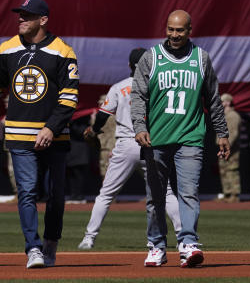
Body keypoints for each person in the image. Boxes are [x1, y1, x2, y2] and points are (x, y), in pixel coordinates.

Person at [0, 0, 78, 269]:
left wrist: (50, 127)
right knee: (26, 192)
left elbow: (69, 99)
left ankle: (50, 244)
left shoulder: (63, 52)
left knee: (56, 196)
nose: (21, 19)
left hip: (54, 138)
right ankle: (33, 249)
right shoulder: (7, 49)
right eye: (20, 15)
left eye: (27, 16)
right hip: (19, 136)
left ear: (43, 20)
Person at [131, 10, 230, 268]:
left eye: (180, 30)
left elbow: (213, 99)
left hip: (191, 137)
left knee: (188, 193)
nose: (175, 35)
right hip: (156, 140)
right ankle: (156, 245)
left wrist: (221, 132)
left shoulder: (201, 58)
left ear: (189, 30)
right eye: (171, 29)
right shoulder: (151, 58)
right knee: (155, 197)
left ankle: (188, 243)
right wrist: (140, 126)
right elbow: (139, 96)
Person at [78, 48, 182, 251]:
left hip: (126, 143)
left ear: (129, 66)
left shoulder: (119, 87)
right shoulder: (159, 86)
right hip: (152, 144)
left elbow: (102, 115)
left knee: (106, 195)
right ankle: (182, 236)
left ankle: (89, 239)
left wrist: (94, 130)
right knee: (167, 194)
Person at [219, 94, 241, 202]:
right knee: (224, 170)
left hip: (231, 148)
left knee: (232, 170)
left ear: (227, 102)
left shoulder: (233, 115)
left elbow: (234, 133)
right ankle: (227, 193)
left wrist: (227, 145)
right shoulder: (224, 115)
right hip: (223, 147)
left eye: (222, 101)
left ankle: (234, 194)